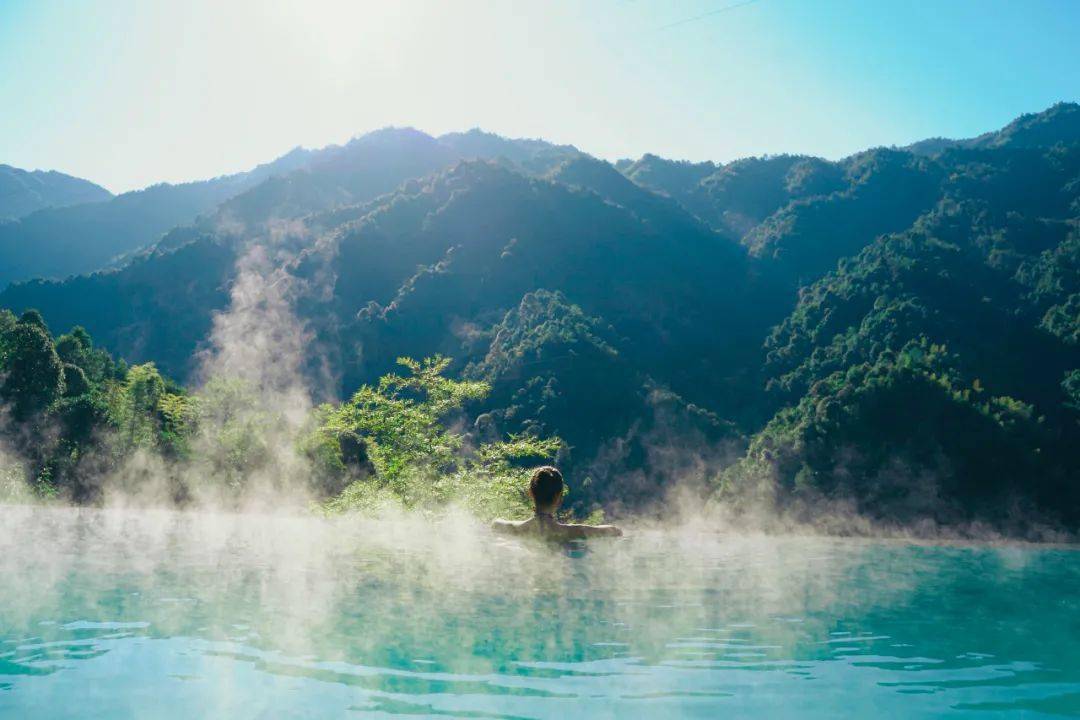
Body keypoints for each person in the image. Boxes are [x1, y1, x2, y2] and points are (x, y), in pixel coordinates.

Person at [491, 466, 622, 539]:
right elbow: (613, 531)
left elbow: (495, 523)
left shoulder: (515, 529)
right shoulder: (572, 532)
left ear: (530, 493)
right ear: (559, 497)